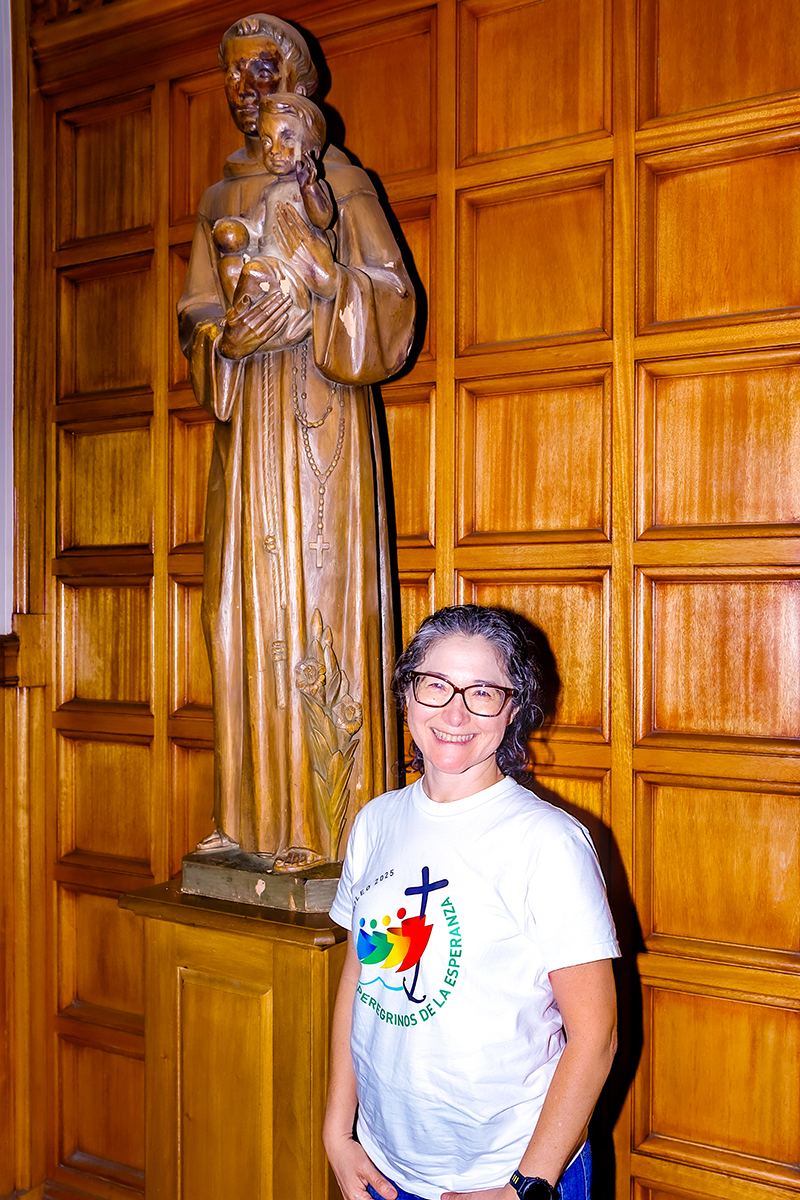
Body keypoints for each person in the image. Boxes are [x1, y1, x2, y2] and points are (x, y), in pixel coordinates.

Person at [177, 15, 415, 864]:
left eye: (264, 69)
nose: (248, 89)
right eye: (235, 74)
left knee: (318, 603)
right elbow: (197, 315)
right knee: (241, 610)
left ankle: (326, 832)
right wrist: (225, 341)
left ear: (300, 81)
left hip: (321, 426)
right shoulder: (215, 201)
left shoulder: (341, 181)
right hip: (248, 443)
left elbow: (390, 299)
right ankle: (247, 819)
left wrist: (320, 283)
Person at [324, 605, 619, 1200]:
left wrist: (525, 1186)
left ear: (512, 709)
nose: (455, 712)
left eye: (483, 691)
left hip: (510, 1174)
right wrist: (338, 1129)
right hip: (384, 1165)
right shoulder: (376, 822)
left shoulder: (548, 842)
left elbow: (596, 1036)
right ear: (407, 694)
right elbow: (361, 973)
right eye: (435, 685)